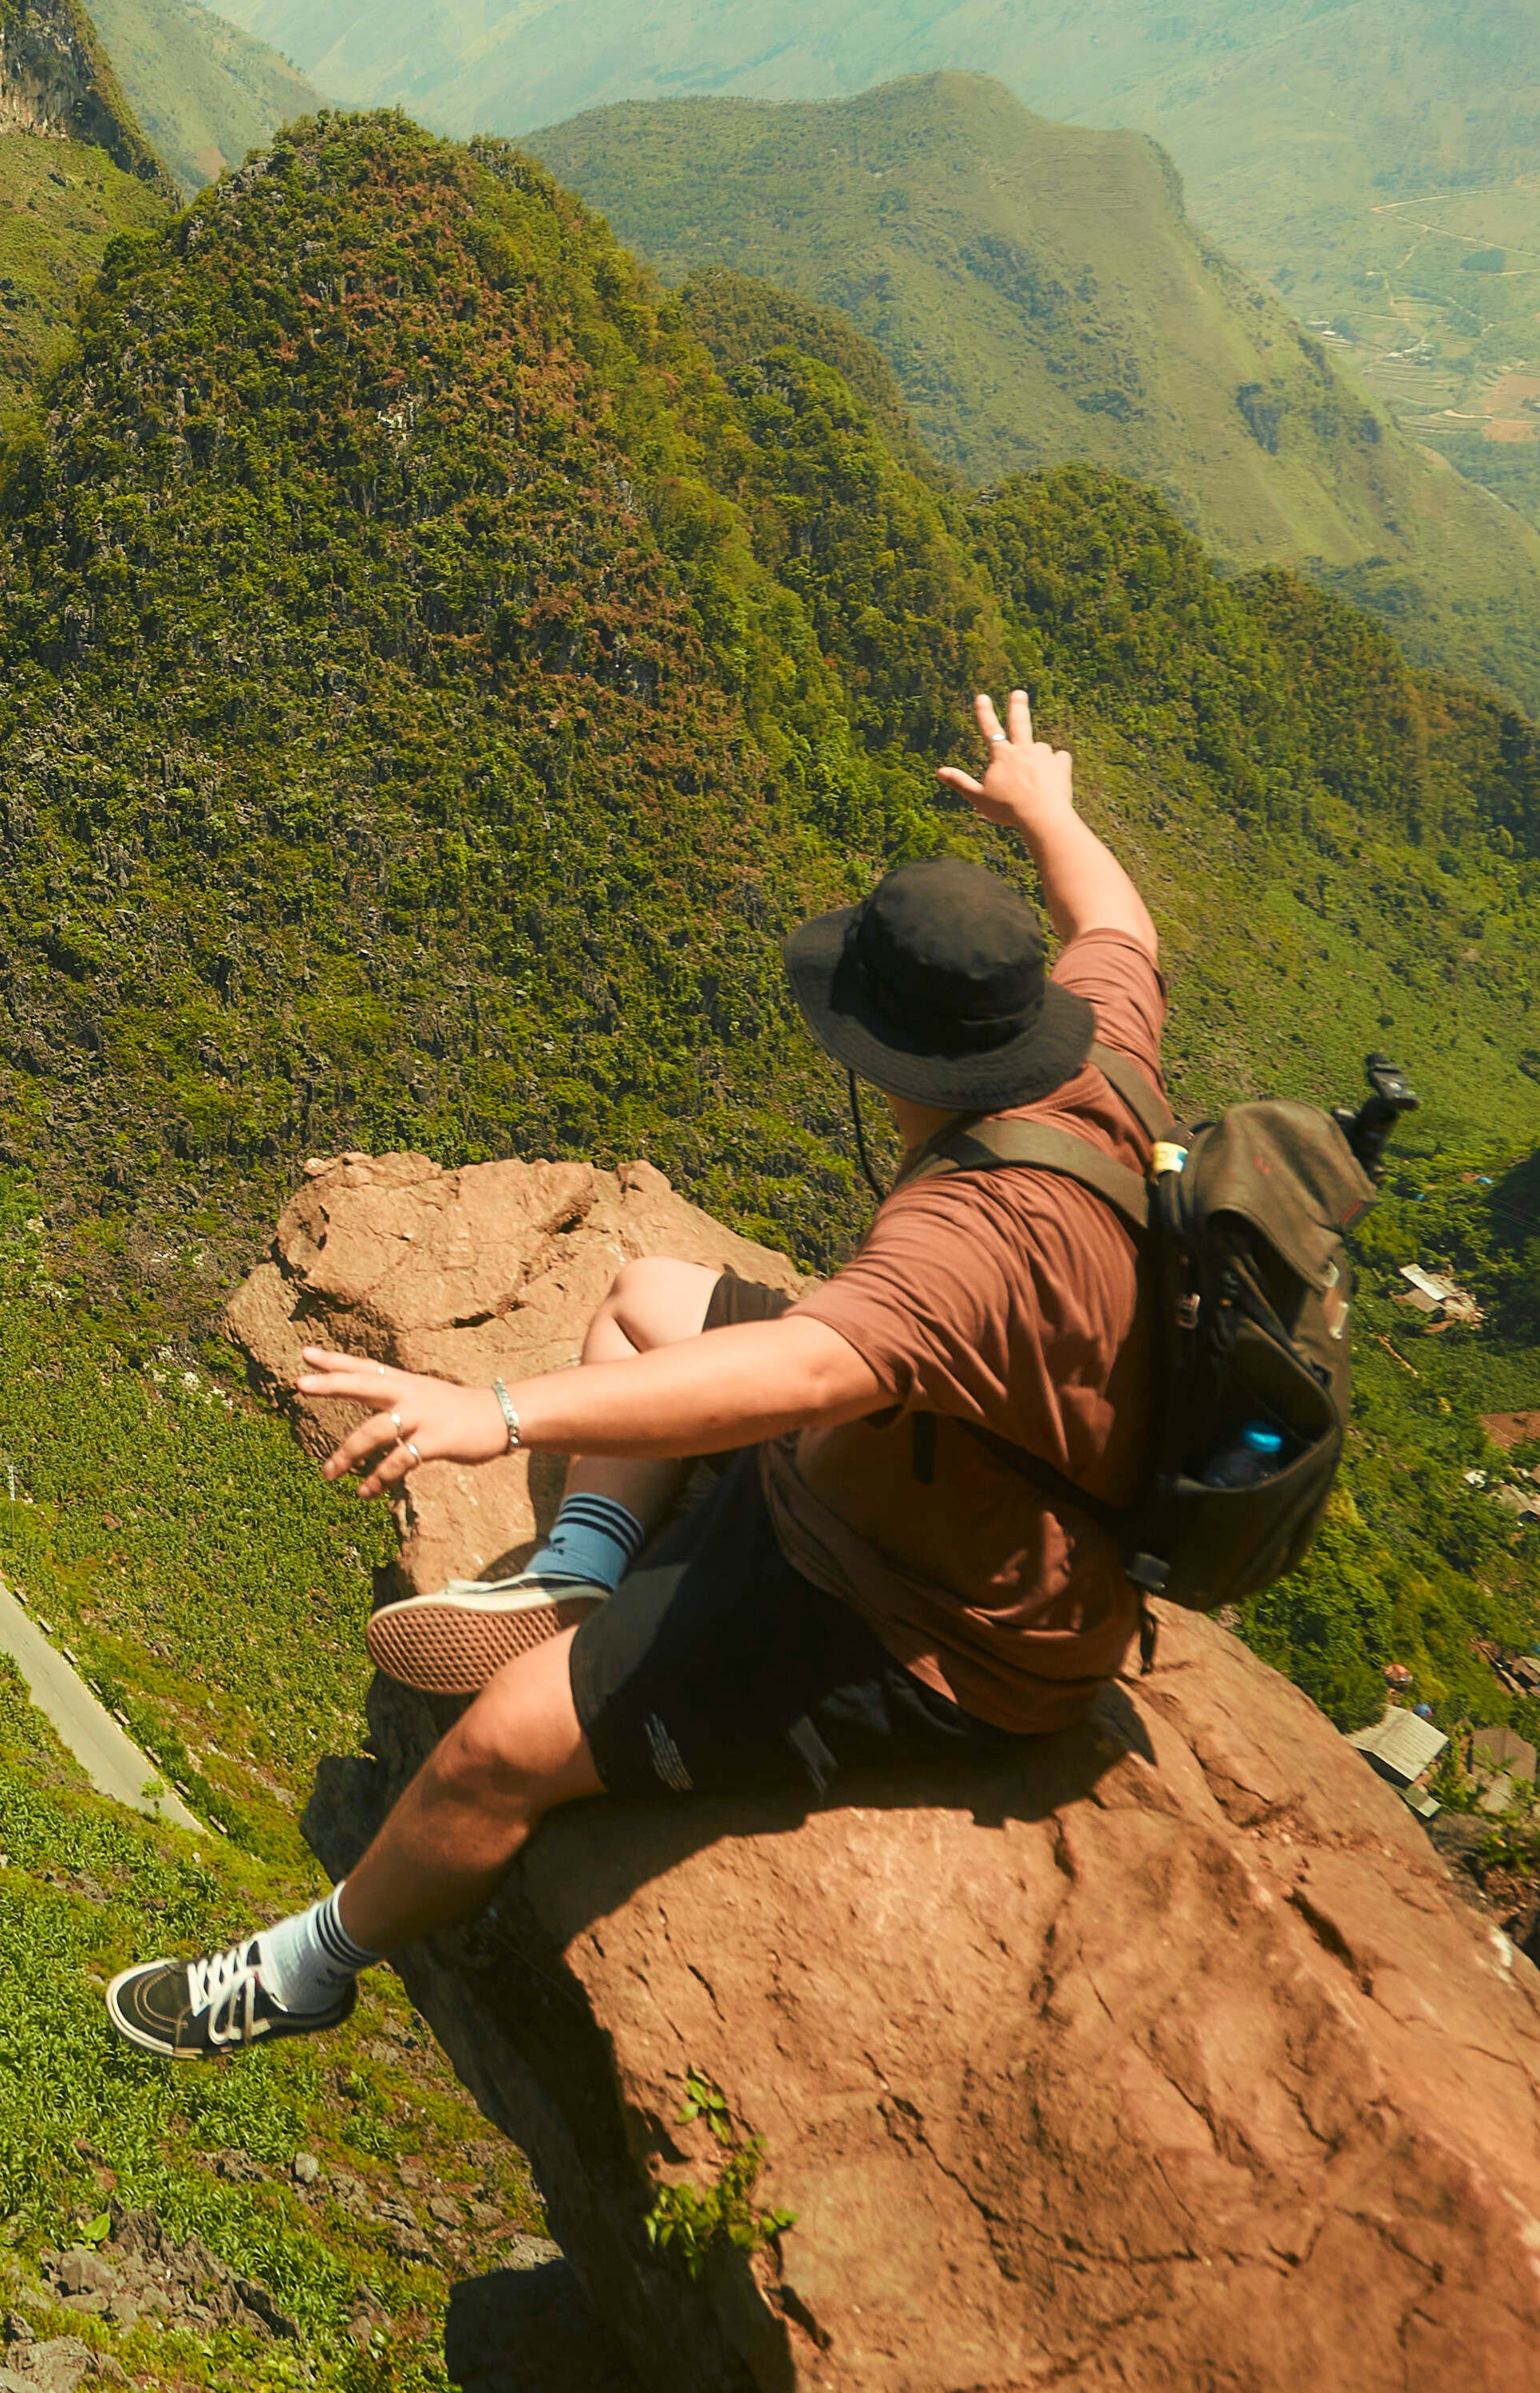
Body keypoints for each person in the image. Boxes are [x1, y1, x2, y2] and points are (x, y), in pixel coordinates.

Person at [109, 689, 1172, 2057]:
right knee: (643, 1293)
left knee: (499, 1744)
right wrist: (1045, 807)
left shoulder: (965, 1243)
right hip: (917, 1461)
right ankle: (589, 1562)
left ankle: (309, 1964)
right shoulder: (1097, 1036)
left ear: (883, 1053)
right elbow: (1121, 924)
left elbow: (797, 1370)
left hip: (932, 1613)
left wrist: (493, 1413)